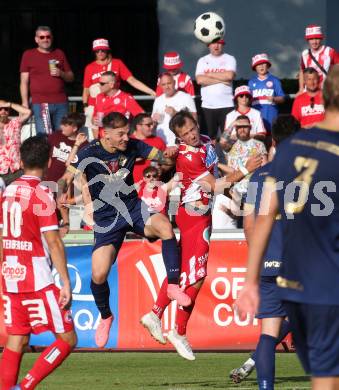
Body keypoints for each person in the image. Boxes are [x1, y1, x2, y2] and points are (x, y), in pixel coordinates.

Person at [236, 65, 339, 390]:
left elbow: (259, 218)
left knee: (318, 370)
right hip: (325, 276)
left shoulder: (280, 161)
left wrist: (250, 279)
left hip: (285, 275)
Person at [57, 112, 191, 348]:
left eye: (127, 132)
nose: (125, 138)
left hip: (132, 208)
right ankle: (106, 316)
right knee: (98, 274)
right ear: (105, 134)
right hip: (106, 219)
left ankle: (171, 286)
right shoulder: (89, 153)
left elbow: (163, 159)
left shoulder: (133, 146)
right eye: (120, 134)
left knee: (165, 227)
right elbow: (65, 178)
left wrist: (168, 155)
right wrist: (60, 198)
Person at [140, 111, 263, 361]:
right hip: (194, 216)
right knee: (197, 276)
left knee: (188, 271)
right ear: (179, 138)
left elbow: (217, 178)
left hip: (198, 213)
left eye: (192, 129)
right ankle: (179, 330)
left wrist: (232, 196)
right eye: (185, 134)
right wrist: (245, 168)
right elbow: (213, 186)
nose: (192, 135)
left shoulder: (206, 141)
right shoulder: (187, 157)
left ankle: (154, 314)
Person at [0, 135, 77, 390]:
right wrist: (65, 282)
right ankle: (26, 386)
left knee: (17, 338)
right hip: (37, 278)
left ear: (21, 161)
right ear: (47, 162)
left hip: (10, 275)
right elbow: (54, 241)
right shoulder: (42, 194)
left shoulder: (8, 191)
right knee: (67, 338)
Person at [229, 115, 300, 386]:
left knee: (268, 334)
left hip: (269, 263)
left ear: (273, 141)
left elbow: (248, 224)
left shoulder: (259, 176)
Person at [83, 38, 156, 139]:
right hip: (95, 104)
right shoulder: (90, 67)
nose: (100, 53)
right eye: (97, 51)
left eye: (102, 50)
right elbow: (86, 89)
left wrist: (151, 92)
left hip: (115, 100)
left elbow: (132, 80)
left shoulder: (117, 63)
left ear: (107, 50)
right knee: (95, 138)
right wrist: (85, 106)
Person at [20, 26, 74, 134]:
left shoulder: (59, 53)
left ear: (52, 38)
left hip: (61, 102)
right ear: (36, 39)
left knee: (62, 136)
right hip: (40, 103)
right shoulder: (28, 54)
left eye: (48, 36)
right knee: (44, 136)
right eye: (42, 37)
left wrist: (61, 73)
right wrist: (25, 103)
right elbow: (24, 82)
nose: (45, 39)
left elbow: (71, 77)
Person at [45, 112, 87, 236]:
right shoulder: (55, 136)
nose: (61, 126)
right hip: (48, 183)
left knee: (66, 222)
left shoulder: (84, 145)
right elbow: (46, 157)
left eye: (65, 125)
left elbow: (69, 165)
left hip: (67, 188)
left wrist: (77, 144)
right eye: (62, 123)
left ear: (74, 128)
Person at [195, 39, 237, 141]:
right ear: (208, 45)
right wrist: (223, 80)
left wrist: (209, 74)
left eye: (219, 43)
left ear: (223, 44)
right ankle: (211, 157)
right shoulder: (202, 60)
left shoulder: (230, 59)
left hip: (227, 105)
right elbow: (200, 80)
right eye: (213, 43)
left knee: (228, 139)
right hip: (208, 106)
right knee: (208, 140)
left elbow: (230, 76)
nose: (216, 46)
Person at [92, 71, 144, 139]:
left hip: (120, 140)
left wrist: (135, 133)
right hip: (103, 139)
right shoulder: (99, 97)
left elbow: (142, 117)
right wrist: (93, 120)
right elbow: (94, 117)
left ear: (111, 85)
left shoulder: (126, 98)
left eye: (102, 83)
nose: (99, 85)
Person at [227, 115, 267, 200]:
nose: (242, 129)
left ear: (250, 127)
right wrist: (233, 124)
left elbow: (265, 169)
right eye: (239, 127)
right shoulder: (229, 145)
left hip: (254, 189)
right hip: (235, 192)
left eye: (245, 126)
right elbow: (223, 140)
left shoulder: (259, 145)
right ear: (235, 128)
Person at [152, 72, 197, 146]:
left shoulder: (186, 97)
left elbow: (195, 120)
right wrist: (154, 121)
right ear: (160, 86)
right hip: (161, 144)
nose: (167, 86)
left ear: (174, 83)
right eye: (163, 84)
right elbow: (152, 125)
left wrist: (175, 113)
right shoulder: (158, 100)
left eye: (169, 83)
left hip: (179, 144)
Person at [248, 53, 285, 134]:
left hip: (271, 117)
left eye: (263, 64)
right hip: (256, 119)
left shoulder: (275, 80)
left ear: (268, 65)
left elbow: (282, 98)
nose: (261, 66)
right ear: (255, 68)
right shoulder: (251, 82)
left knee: (273, 142)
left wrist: (274, 99)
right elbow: (248, 101)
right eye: (258, 65)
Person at [298, 24, 338, 93]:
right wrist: (301, 88)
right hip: (309, 92)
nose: (314, 42)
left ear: (321, 39)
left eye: (317, 38)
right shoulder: (304, 54)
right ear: (308, 40)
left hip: (326, 92)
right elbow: (302, 71)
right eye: (311, 39)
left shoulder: (330, 51)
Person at [0, 99, 31, 185]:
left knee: (17, 197)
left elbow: (28, 112)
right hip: (1, 172)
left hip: (16, 170)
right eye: (0, 109)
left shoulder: (15, 123)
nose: (3, 111)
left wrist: (10, 104)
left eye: (5, 109)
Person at [130, 113, 166, 183]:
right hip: (133, 187)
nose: (152, 127)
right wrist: (132, 159)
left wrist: (162, 169)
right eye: (148, 125)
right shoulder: (128, 142)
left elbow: (167, 161)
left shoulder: (159, 141)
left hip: (154, 187)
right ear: (138, 126)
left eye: (152, 124)